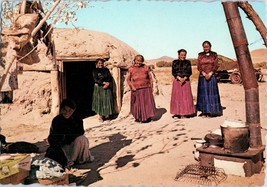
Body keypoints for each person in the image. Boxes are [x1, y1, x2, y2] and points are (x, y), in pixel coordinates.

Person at [45, 99, 94, 168]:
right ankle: (66, 161)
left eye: (70, 110)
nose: (67, 112)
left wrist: (68, 136)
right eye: (64, 110)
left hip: (74, 146)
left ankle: (73, 160)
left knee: (82, 139)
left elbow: (80, 132)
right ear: (61, 109)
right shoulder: (56, 120)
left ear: (73, 110)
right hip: (62, 147)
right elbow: (52, 136)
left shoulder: (77, 119)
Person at [196, 41, 223, 118]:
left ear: (210, 46)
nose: (206, 48)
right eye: (204, 46)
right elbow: (199, 66)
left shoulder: (214, 54)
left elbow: (216, 65)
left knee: (211, 94)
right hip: (202, 76)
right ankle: (204, 112)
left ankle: (211, 112)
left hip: (212, 76)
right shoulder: (200, 55)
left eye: (207, 46)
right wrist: (204, 73)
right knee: (203, 94)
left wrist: (211, 73)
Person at [126, 54, 156, 123]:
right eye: (137, 60)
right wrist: (132, 86)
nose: (139, 62)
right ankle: (139, 118)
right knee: (137, 104)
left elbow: (150, 78)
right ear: (134, 60)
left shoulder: (146, 67)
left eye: (140, 61)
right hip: (136, 89)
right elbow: (128, 79)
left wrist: (151, 86)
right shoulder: (131, 68)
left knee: (147, 104)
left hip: (146, 88)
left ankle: (147, 118)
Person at [170, 49, 196, 118]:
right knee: (177, 98)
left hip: (186, 81)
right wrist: (179, 78)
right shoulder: (174, 62)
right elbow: (173, 72)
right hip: (177, 81)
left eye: (184, 55)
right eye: (181, 55)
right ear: (178, 55)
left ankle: (186, 113)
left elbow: (189, 72)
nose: (183, 56)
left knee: (186, 97)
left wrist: (184, 78)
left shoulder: (188, 62)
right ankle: (177, 113)